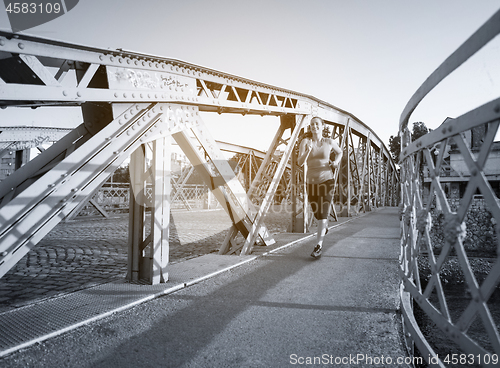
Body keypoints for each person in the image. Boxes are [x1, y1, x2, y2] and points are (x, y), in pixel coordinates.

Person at [297, 116, 342, 258]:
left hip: (327, 181)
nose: (314, 126)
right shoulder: (305, 142)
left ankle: (318, 246)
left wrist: (335, 162)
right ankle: (324, 226)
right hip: (311, 183)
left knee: (322, 214)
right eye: (312, 124)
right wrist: (307, 151)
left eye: (317, 124)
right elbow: (299, 162)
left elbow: (340, 152)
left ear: (322, 126)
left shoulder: (329, 142)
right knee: (316, 213)